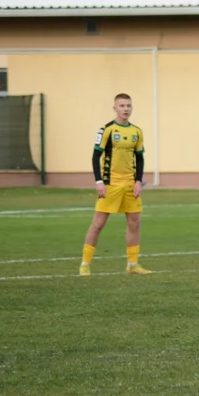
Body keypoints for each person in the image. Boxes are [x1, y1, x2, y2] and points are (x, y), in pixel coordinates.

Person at [79, 93, 150, 276]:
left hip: (130, 185)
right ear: (115, 108)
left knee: (135, 223)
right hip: (111, 184)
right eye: (122, 106)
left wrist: (138, 181)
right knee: (98, 224)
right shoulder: (107, 130)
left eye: (128, 106)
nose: (126, 109)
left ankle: (132, 265)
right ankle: (85, 263)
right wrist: (99, 181)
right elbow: (96, 157)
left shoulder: (136, 131)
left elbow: (140, 158)